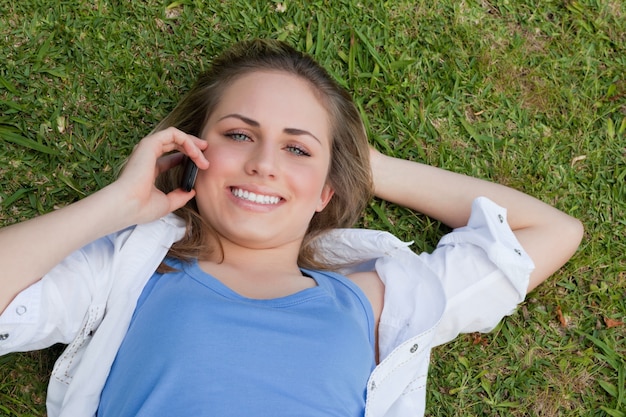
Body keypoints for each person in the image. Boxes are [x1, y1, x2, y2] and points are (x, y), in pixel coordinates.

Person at [0, 39, 583, 417]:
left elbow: (549, 230)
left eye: (297, 149)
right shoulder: (128, 275)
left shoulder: (374, 300)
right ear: (192, 150)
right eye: (238, 134)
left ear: (329, 189)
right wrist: (117, 205)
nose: (265, 164)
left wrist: (369, 166)